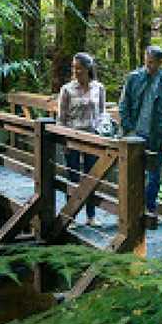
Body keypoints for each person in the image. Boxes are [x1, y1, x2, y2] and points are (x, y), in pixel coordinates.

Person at [119, 45, 162, 217]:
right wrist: (128, 130)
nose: (149, 66)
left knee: (154, 176)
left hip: (156, 136)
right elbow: (124, 105)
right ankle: (131, 209)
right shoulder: (133, 78)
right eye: (147, 61)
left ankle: (149, 210)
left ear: (160, 62)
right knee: (132, 174)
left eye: (152, 63)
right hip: (134, 135)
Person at [57, 52, 106, 226]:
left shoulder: (98, 88)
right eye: (73, 67)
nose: (75, 71)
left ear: (88, 69)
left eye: (79, 68)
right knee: (73, 177)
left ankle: (91, 217)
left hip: (93, 139)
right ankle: (71, 216)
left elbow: (101, 114)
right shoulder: (67, 89)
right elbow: (61, 118)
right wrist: (64, 140)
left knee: (91, 178)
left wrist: (100, 132)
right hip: (72, 138)